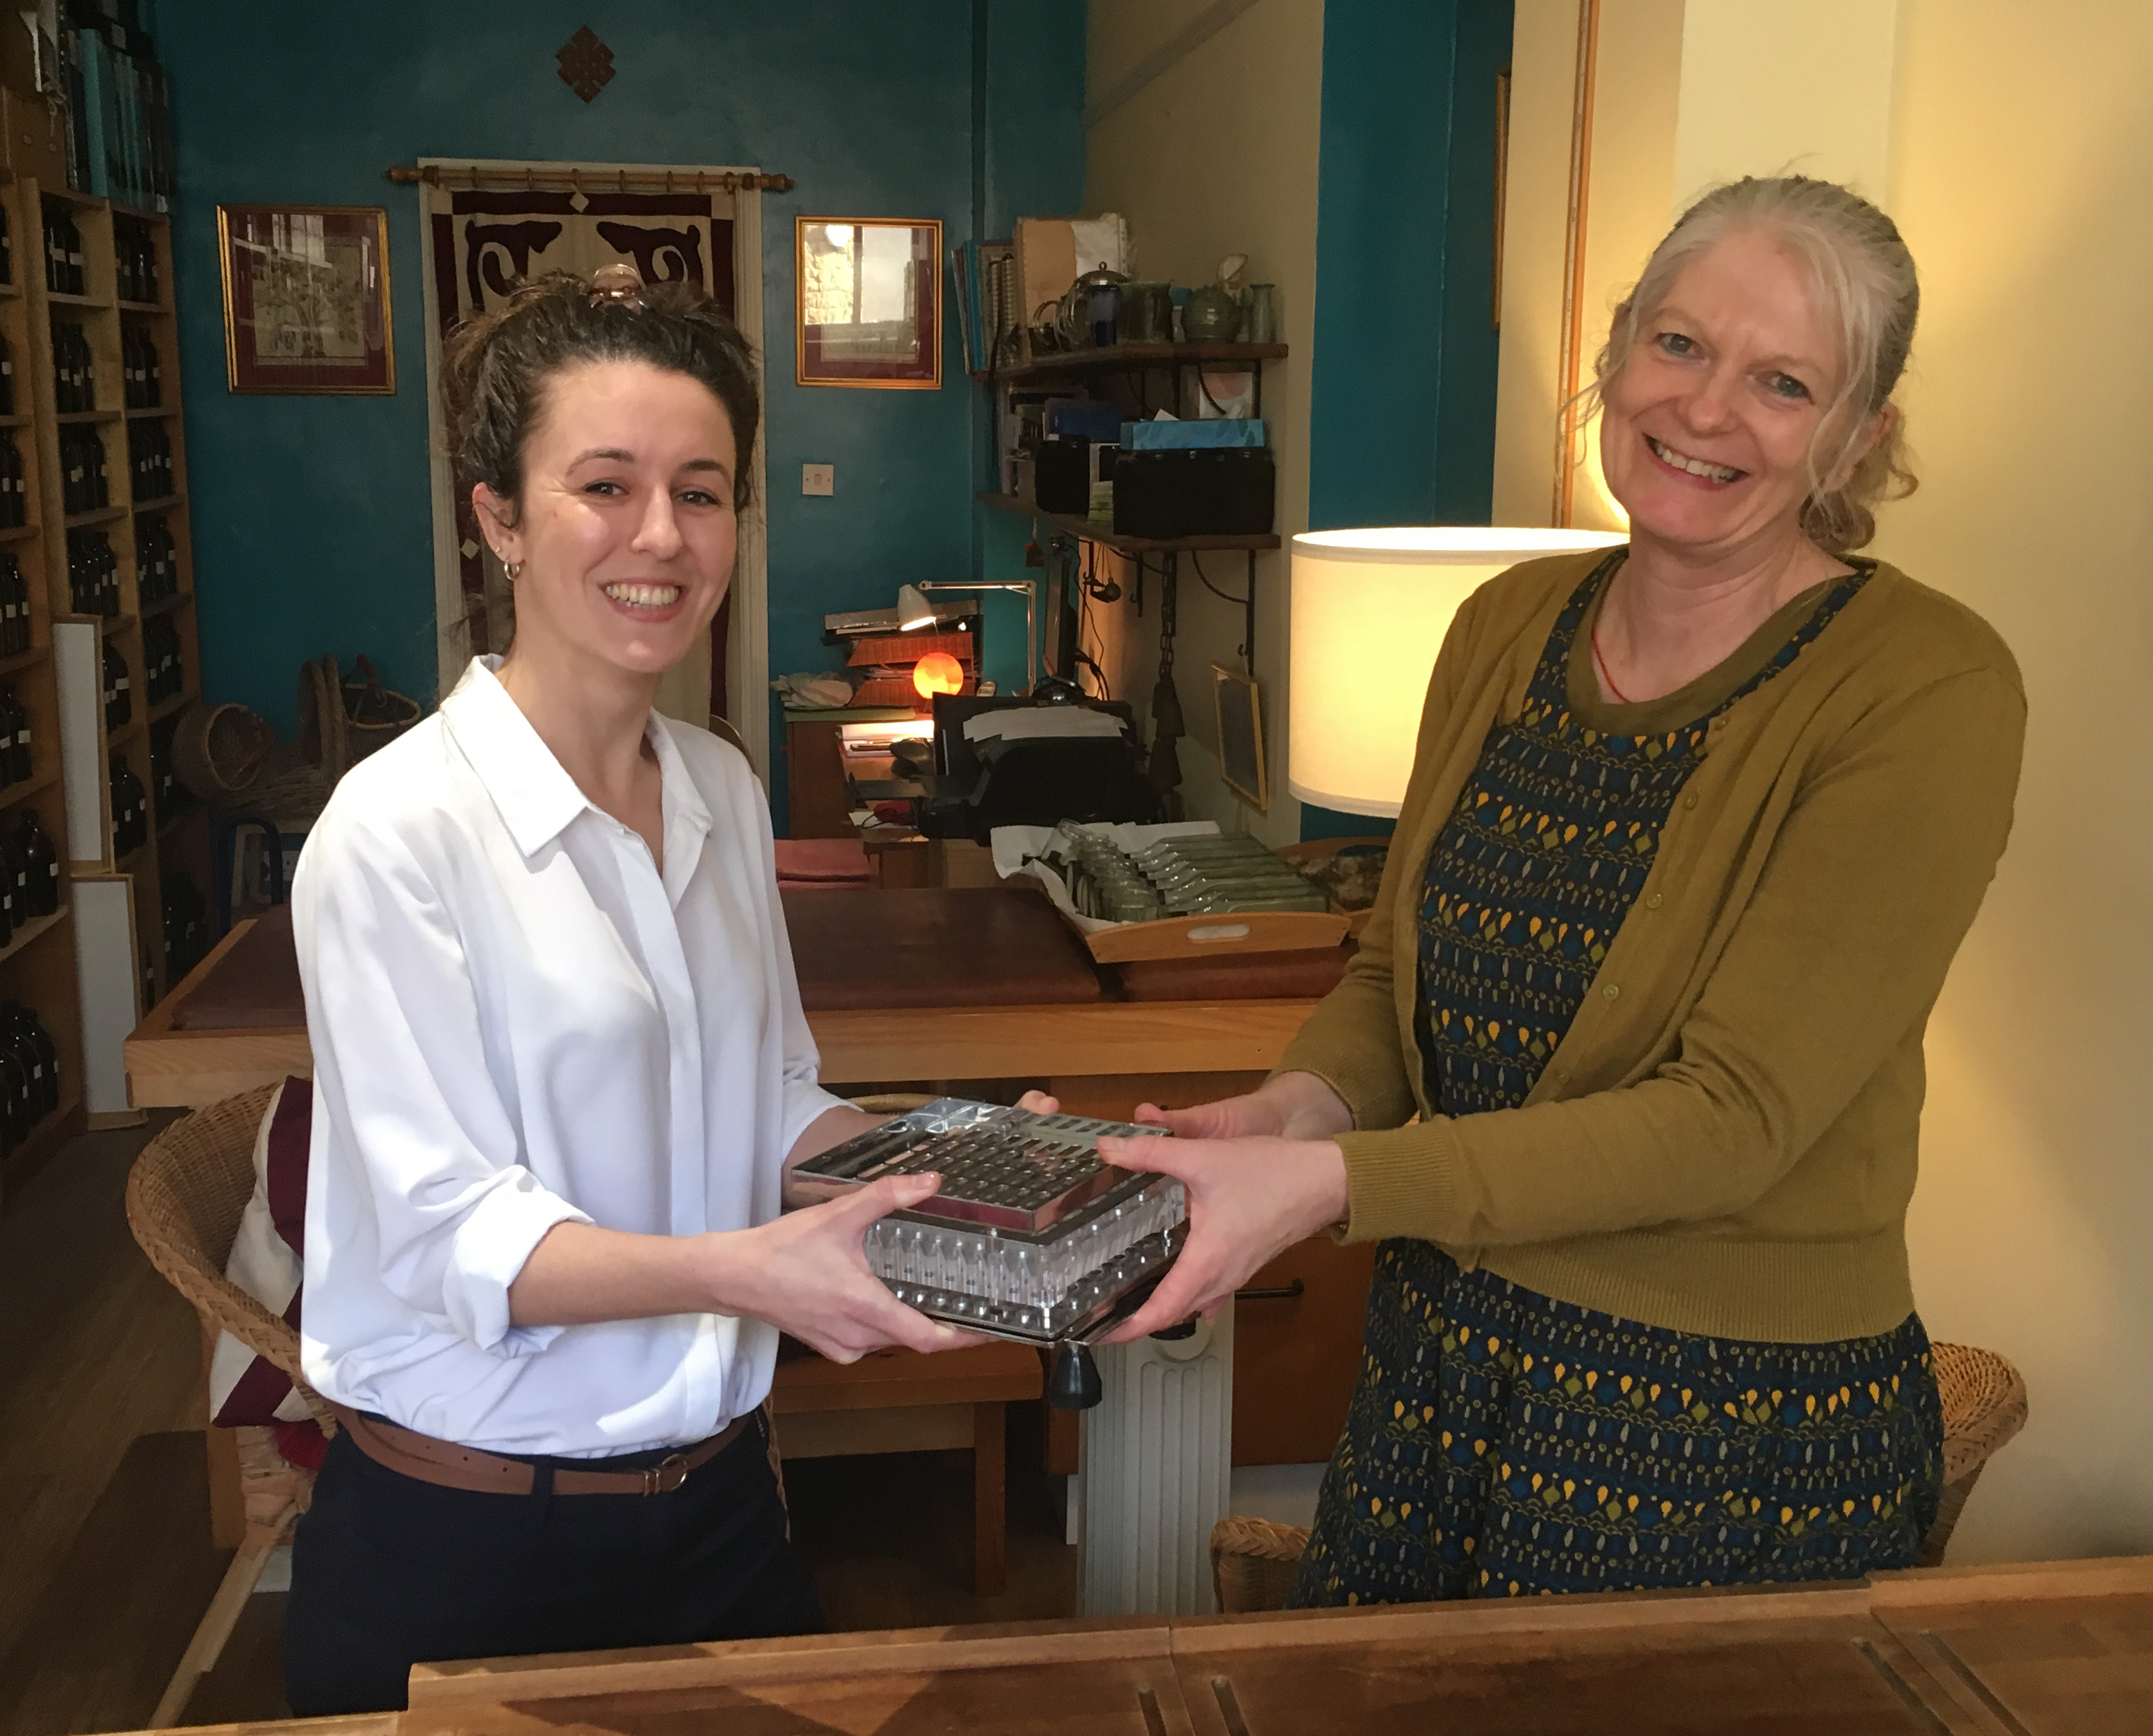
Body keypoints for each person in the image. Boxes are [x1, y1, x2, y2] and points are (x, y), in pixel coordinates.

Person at [1079, 177, 2026, 1603]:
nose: (1705, 408)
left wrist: (1328, 1185)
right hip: (1439, 1362)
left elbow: (1734, 1119)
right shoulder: (1505, 623)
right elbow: (1395, 974)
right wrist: (1291, 1111)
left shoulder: (1925, 686)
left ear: (1859, 438)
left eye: (1783, 382)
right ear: (1619, 348)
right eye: (1680, 343)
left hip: (1719, 1425)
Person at [284, 265, 974, 1713]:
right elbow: (455, 1237)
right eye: (604, 485)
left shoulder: (720, 783)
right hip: (466, 1535)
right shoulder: (396, 830)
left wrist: (953, 1170)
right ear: (499, 518)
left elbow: (772, 1095)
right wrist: (752, 1272)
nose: (660, 535)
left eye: (701, 492)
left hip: (719, 1508)